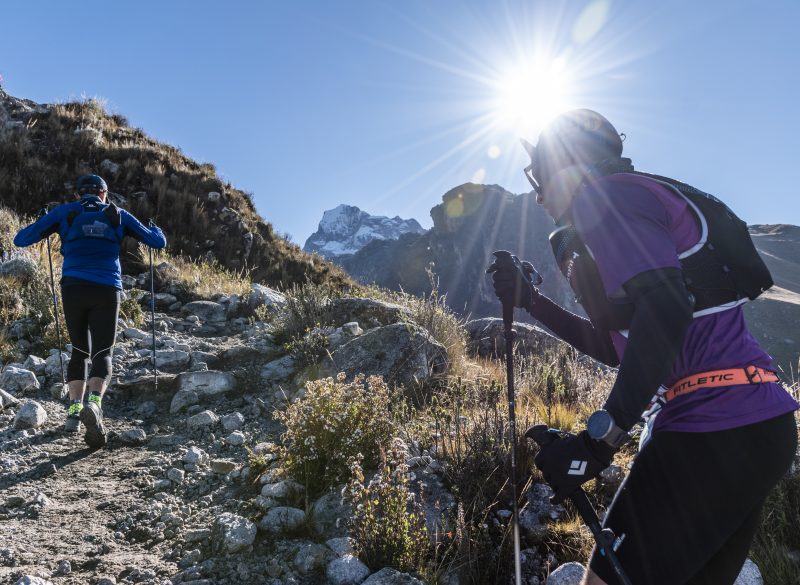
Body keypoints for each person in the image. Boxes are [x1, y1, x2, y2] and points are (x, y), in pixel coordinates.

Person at [491, 109, 799, 585]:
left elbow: (666, 309)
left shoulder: (607, 199)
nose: (537, 194)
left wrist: (598, 441)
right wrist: (533, 302)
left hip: (710, 426)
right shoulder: (628, 205)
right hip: (756, 423)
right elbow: (620, 347)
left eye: (540, 176)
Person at [14, 175, 166, 447]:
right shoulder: (118, 214)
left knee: (79, 350)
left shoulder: (66, 212)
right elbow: (157, 243)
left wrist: (41, 220)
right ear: (103, 194)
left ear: (79, 195)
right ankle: (94, 404)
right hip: (107, 288)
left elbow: (21, 240)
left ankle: (73, 412)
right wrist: (156, 228)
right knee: (103, 352)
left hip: (73, 287)